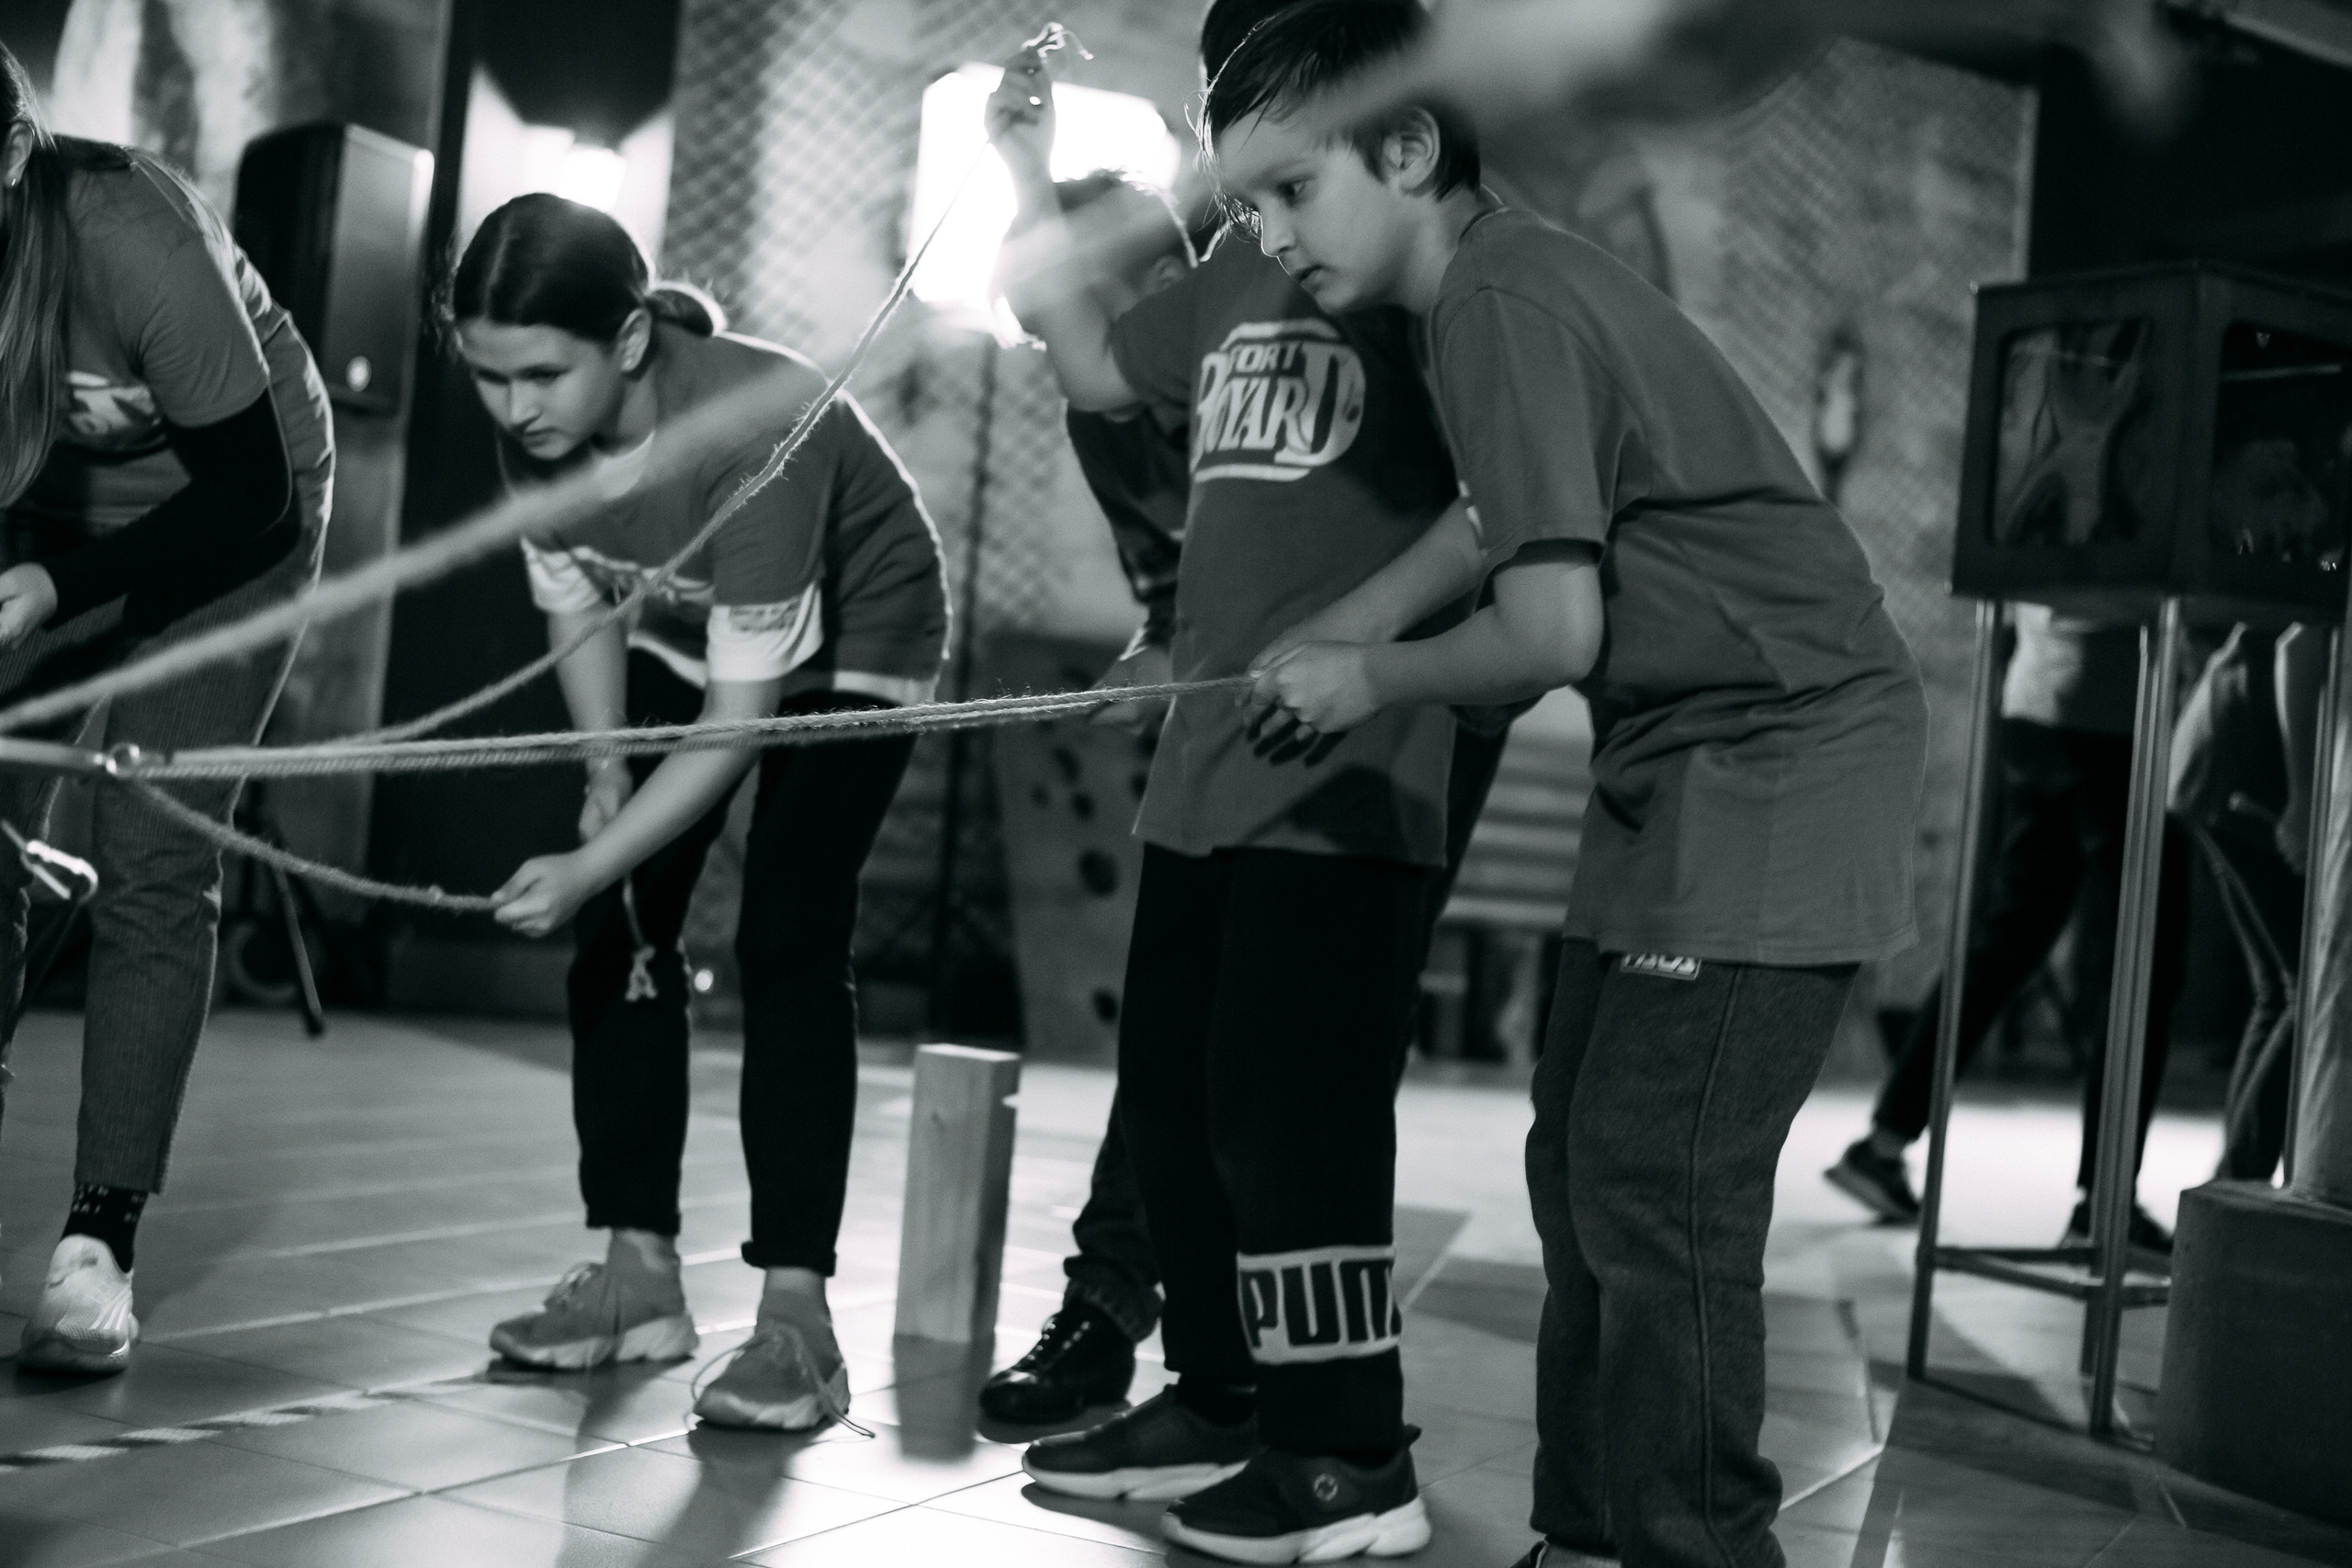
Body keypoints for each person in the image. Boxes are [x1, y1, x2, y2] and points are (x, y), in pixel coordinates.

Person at [1223, 6, 1927, 1563]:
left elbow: (1552, 631)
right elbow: (1495, 520)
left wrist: (1369, 678)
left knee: (1654, 1180)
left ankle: (1697, 1547)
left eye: (1289, 189)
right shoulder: (1484, 288)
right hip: (1668, 758)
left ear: (1409, 149)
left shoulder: (1501, 296)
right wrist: (1343, 629)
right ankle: (1595, 1533)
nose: (1266, 235)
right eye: (1245, 205)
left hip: (1784, 747)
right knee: (1577, 1161)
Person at [978, 12, 1523, 1433]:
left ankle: (1335, 1435)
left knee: (1297, 1109)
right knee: (1177, 1084)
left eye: (1289, 174)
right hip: (1210, 759)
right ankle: (1215, 1391)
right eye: (1246, 174)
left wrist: (1365, 639)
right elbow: (1101, 370)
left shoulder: (1425, 270)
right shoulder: (1234, 272)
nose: (1267, 214)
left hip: (1357, 750)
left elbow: (1503, 503)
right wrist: (1024, 170)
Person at [447, 193, 947, 1431]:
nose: (514, 408)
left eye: (540, 375)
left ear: (626, 340)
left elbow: (737, 723)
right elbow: (579, 604)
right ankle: (638, 1272)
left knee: (787, 932)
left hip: (861, 635)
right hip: (685, 621)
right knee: (620, 918)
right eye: (488, 377)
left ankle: (798, 1318)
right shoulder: (540, 432)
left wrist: (582, 860)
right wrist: (605, 771)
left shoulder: (750, 425)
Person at [0, 45, 334, 1377]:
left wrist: (61, 588)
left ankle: (99, 1242)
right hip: (46, 511)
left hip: (237, 512)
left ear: (10, 161)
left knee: (155, 844)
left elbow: (250, 494)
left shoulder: (128, 231)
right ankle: (34, 874)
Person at [1823, 605, 2190, 1252]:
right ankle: (2105, 1205)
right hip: (2112, 712)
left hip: (2034, 704)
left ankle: (1882, 1144)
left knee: (2008, 941)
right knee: (2143, 959)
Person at [2170, 621, 2325, 1183]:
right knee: (2309, 991)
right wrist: (2303, 801)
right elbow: (2299, 647)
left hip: (2223, 751)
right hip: (2248, 764)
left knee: (2280, 992)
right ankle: (2236, 1183)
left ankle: (2231, 1189)